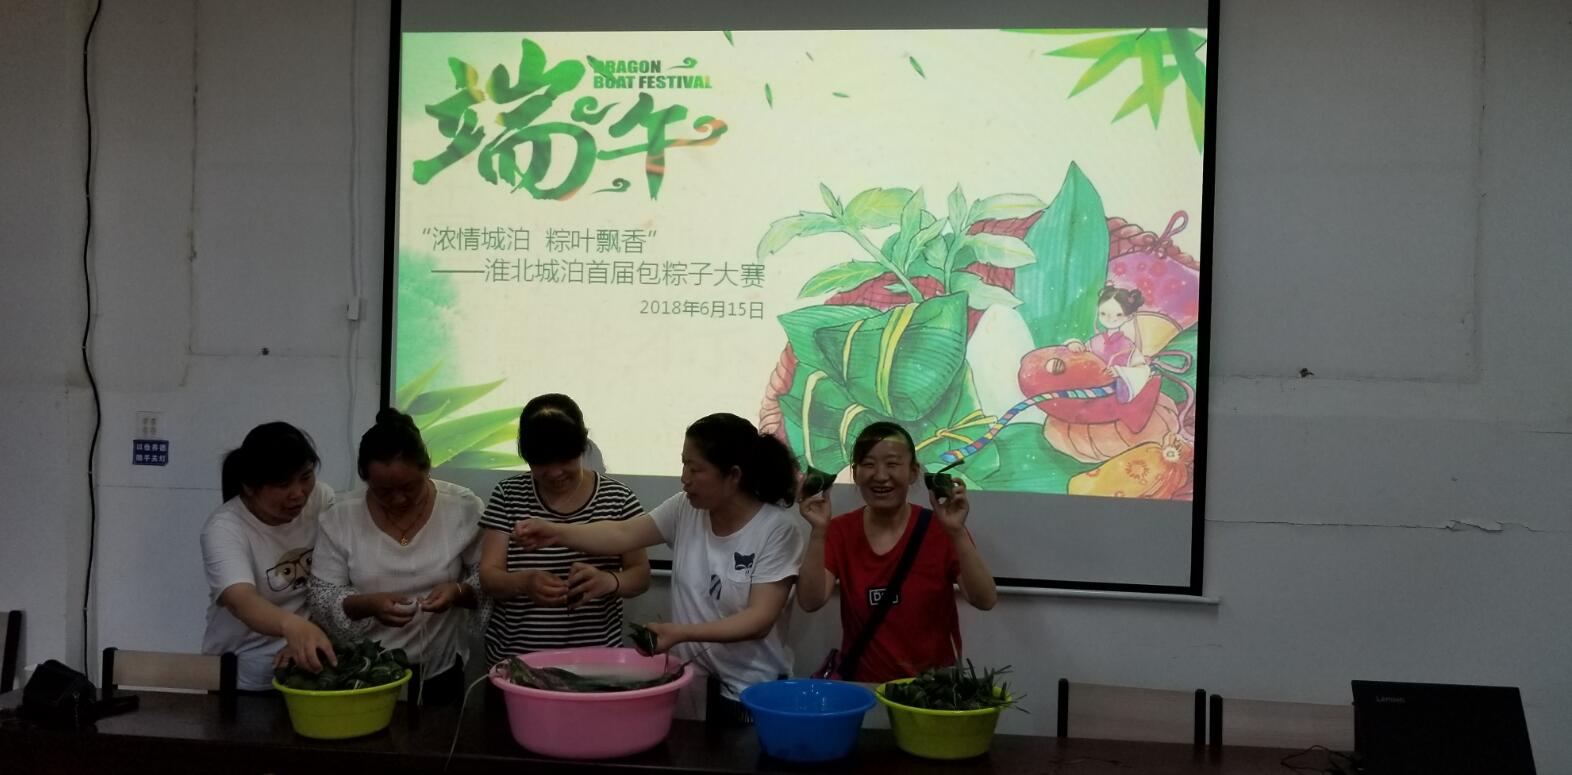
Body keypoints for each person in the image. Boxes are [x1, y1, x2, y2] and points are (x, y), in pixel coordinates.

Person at [513, 413, 804, 711]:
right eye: (683, 464)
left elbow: (759, 620)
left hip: (753, 693)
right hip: (693, 684)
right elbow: (623, 533)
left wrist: (681, 633)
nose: (684, 478)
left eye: (695, 469)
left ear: (733, 475)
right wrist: (555, 532)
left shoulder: (777, 529)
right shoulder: (686, 508)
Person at [796, 421, 997, 684]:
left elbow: (985, 600)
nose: (880, 476)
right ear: (855, 473)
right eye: (868, 464)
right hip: (862, 689)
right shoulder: (839, 531)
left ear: (913, 472)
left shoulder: (942, 529)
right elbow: (810, 601)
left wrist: (957, 532)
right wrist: (818, 531)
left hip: (929, 692)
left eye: (892, 464)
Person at [308, 408, 482, 705]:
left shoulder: (462, 508)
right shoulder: (340, 517)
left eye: (410, 487)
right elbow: (322, 596)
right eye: (383, 492)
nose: (399, 499)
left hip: (440, 670)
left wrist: (458, 592)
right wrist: (368, 604)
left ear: (427, 468)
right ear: (365, 479)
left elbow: (489, 578)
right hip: (364, 673)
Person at [478, 394, 650, 664]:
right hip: (517, 662)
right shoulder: (508, 495)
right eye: (541, 463)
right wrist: (523, 582)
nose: (555, 473)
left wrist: (608, 581)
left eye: (565, 459)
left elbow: (640, 575)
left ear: (582, 446)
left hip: (594, 664)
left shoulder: (618, 498)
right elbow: (489, 576)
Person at [200, 422, 337, 691]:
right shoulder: (224, 529)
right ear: (250, 486)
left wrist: (305, 635)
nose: (299, 494)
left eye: (306, 477)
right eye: (283, 484)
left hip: (304, 669)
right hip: (240, 678)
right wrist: (293, 627)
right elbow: (241, 600)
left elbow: (332, 579)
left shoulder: (321, 499)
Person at [1066, 285, 1153, 403]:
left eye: (1118, 315)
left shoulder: (1129, 347)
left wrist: (1121, 372)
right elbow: (1082, 356)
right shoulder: (1095, 341)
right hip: (1088, 391)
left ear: (1129, 317)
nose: (1109, 319)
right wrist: (1075, 344)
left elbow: (1142, 370)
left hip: (1112, 396)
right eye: (1103, 313)